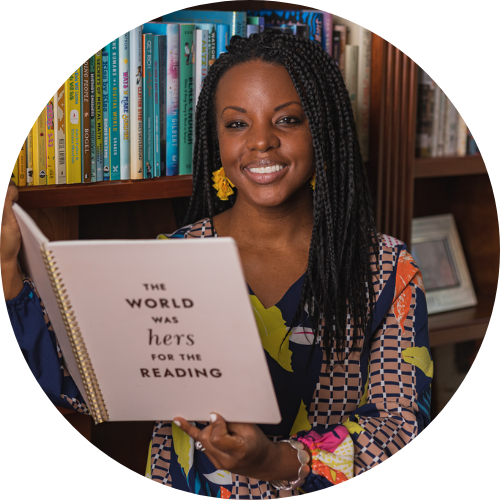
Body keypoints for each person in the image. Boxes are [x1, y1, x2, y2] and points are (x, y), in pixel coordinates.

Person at [2, 31, 432, 497]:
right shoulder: (168, 258)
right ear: (216, 138)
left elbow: (400, 426)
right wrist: (8, 267)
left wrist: (274, 460)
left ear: (322, 130)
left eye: (287, 119)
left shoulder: (388, 269)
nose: (262, 142)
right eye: (236, 124)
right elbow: (81, 385)